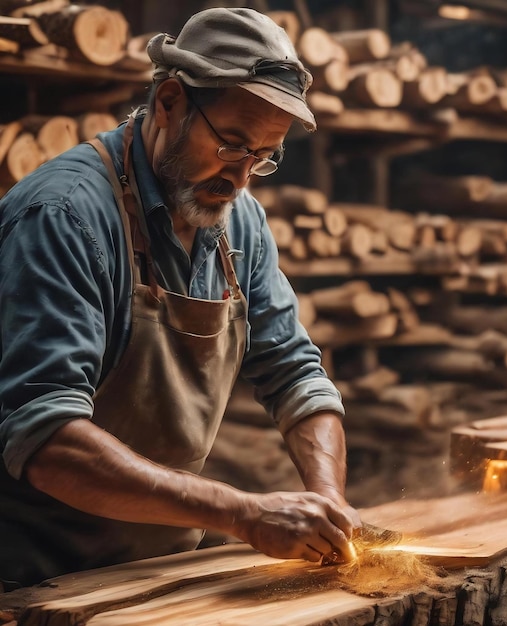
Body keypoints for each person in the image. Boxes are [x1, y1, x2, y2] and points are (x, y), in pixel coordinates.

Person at [0, 7, 361, 590]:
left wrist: (328, 503)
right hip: (33, 577)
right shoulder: (63, 215)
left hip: (157, 566)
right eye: (232, 145)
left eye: (264, 156)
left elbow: (295, 373)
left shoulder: (237, 219)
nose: (242, 177)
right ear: (168, 101)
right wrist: (243, 512)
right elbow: (46, 437)